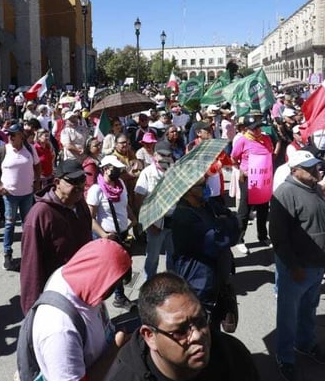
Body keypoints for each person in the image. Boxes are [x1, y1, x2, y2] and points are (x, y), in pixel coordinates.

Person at [108, 272, 258, 381]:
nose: (198, 335)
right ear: (150, 336)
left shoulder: (233, 356)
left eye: (200, 321)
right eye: (180, 331)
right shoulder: (125, 376)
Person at [269, 150, 325, 381]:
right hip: (296, 267)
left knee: (309, 309)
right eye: (308, 168)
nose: (316, 170)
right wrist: (292, 266)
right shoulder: (285, 193)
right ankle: (285, 357)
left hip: (316, 265)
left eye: (316, 166)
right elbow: (278, 236)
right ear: (294, 170)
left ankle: (306, 344)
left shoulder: (315, 187)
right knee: (288, 317)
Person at [28, 238, 132, 381]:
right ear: (100, 276)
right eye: (114, 284)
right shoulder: (61, 331)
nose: (114, 290)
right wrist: (115, 348)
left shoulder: (75, 276)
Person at [20, 159, 94, 314]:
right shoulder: (40, 215)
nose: (80, 186)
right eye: (73, 181)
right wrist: (32, 311)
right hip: (56, 295)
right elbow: (31, 268)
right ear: (57, 182)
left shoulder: (80, 203)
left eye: (82, 180)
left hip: (83, 288)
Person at [172, 173, 240, 333]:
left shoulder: (204, 204)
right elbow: (218, 241)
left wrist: (228, 222)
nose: (206, 188)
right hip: (199, 285)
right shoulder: (184, 217)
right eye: (201, 186)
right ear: (188, 190)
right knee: (203, 330)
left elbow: (227, 214)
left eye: (205, 183)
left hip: (216, 279)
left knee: (215, 325)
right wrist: (230, 224)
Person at [0, 123, 41, 271]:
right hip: (10, 195)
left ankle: (28, 253)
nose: (10, 137)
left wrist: (37, 181)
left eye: (13, 134)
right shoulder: (3, 150)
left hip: (27, 194)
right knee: (9, 224)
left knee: (27, 225)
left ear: (21, 135)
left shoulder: (30, 149)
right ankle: (7, 253)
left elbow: (37, 165)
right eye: (9, 134)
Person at [87, 154, 136, 310]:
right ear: (106, 169)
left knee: (123, 267)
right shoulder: (96, 190)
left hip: (122, 233)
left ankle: (117, 295)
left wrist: (133, 219)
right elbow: (90, 218)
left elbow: (124, 205)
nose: (118, 172)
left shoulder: (120, 184)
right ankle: (116, 297)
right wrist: (103, 234)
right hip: (108, 236)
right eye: (115, 169)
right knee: (113, 269)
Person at [231, 114, 276, 255]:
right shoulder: (242, 141)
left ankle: (262, 235)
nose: (257, 131)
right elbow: (233, 158)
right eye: (253, 128)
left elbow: (270, 153)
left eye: (258, 127)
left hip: (263, 180)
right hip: (249, 180)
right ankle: (239, 239)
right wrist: (242, 170)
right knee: (244, 211)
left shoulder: (266, 139)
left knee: (263, 209)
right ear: (246, 129)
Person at [135, 140, 175, 280]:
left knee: (173, 256)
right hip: (155, 224)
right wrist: (149, 223)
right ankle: (148, 284)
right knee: (152, 257)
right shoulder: (147, 173)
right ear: (155, 155)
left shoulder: (174, 171)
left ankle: (172, 283)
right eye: (161, 155)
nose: (164, 158)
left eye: (168, 155)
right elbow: (139, 199)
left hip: (174, 221)